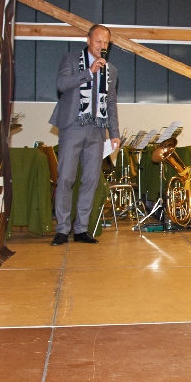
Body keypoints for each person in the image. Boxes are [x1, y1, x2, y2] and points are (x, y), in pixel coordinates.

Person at [49, 24, 121, 246]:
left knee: (91, 180)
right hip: (73, 126)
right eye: (98, 41)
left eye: (106, 42)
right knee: (66, 178)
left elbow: (111, 103)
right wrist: (89, 72)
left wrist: (115, 133)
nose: (102, 46)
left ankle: (81, 229)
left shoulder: (111, 70)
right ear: (88, 40)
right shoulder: (70, 60)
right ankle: (62, 229)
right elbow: (61, 84)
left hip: (97, 130)